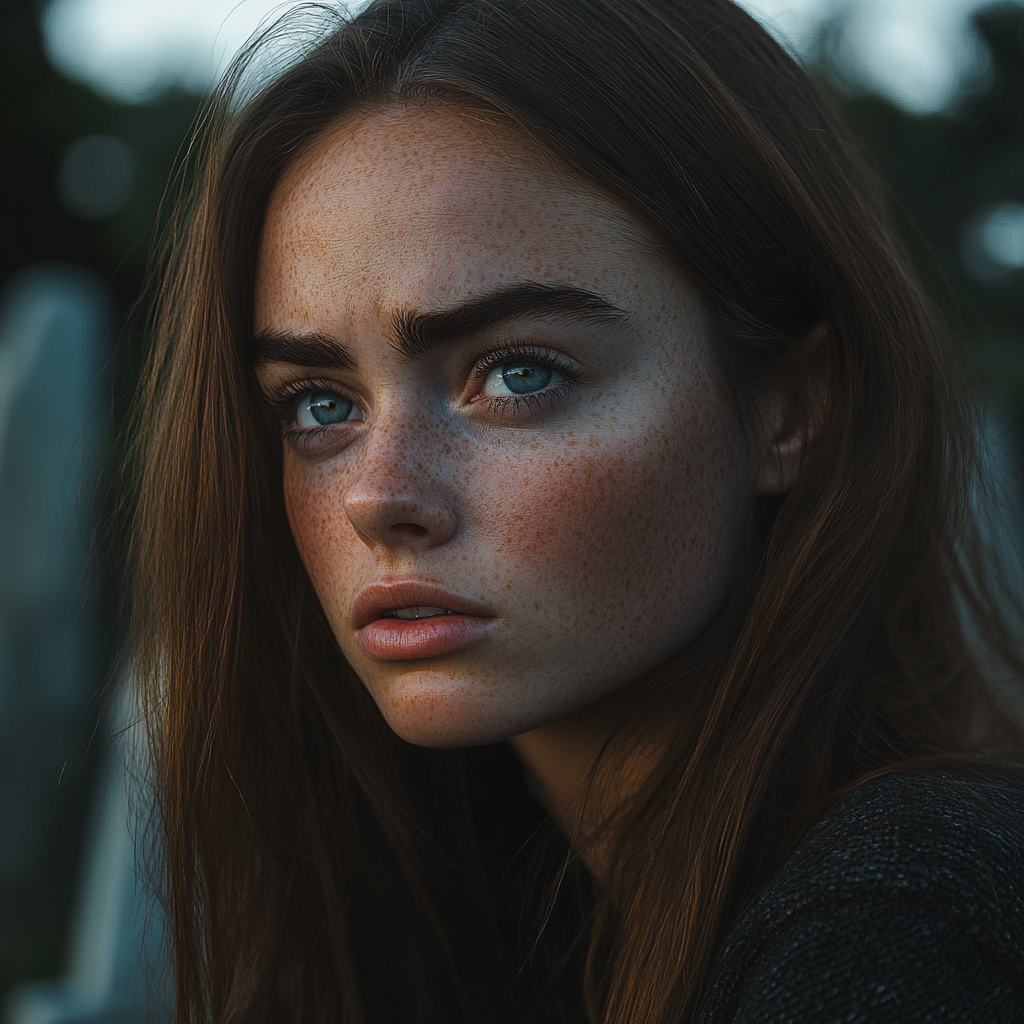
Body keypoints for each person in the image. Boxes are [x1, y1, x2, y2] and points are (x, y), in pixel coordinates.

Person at [123, 0, 1024, 1020]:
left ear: (790, 407)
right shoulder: (473, 924)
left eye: (518, 374)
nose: (380, 496)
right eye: (319, 405)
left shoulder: (905, 922)